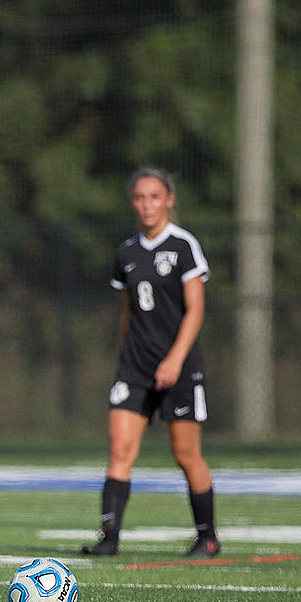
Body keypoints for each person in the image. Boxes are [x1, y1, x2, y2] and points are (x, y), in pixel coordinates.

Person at [82, 167, 220, 558]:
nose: (147, 205)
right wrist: (126, 357)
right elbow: (128, 313)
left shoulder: (183, 245)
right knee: (120, 448)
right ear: (133, 203)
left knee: (185, 453)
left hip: (178, 366)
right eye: (140, 198)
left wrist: (175, 359)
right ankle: (110, 539)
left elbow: (195, 311)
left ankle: (207, 536)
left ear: (169, 200)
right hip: (135, 367)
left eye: (154, 197)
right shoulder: (126, 251)